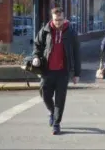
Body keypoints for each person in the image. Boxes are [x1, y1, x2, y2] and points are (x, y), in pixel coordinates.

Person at [32, 7, 81, 135]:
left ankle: (56, 123)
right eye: (55, 20)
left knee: (60, 99)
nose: (58, 22)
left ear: (64, 19)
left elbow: (76, 53)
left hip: (63, 72)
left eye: (60, 20)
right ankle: (52, 112)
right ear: (51, 18)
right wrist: (36, 57)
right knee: (44, 94)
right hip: (47, 70)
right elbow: (37, 45)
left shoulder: (71, 32)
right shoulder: (45, 30)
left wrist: (76, 73)